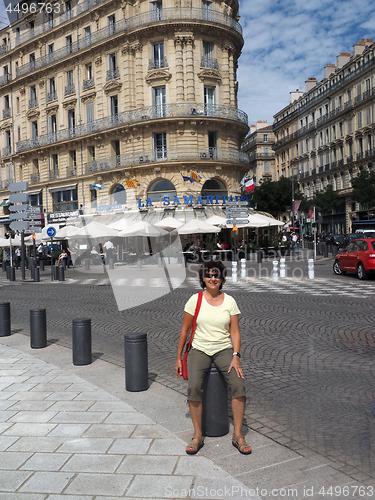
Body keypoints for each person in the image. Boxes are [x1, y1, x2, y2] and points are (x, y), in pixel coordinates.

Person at [175, 259, 251, 456]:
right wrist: (178, 359)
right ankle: (198, 435)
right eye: (209, 275)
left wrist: (236, 356)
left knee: (238, 385)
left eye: (216, 275)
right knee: (193, 387)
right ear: (203, 278)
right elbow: (184, 331)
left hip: (224, 349)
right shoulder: (195, 299)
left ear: (221, 278)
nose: (212, 278)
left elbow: (235, 332)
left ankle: (238, 435)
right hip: (199, 349)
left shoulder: (229, 301)